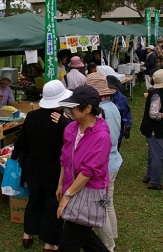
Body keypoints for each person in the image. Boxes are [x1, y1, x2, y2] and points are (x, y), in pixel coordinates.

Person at [12, 80, 72, 252]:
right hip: (54, 169)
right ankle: (49, 242)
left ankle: (27, 234)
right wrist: (66, 123)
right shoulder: (62, 121)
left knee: (34, 199)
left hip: (32, 166)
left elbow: (21, 142)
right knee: (52, 203)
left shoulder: (31, 116)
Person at [56, 85, 111, 252]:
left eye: (74, 106)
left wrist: (67, 195)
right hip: (71, 188)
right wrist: (60, 185)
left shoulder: (101, 136)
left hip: (88, 192)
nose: (70, 110)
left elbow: (88, 172)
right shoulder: (71, 128)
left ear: (87, 108)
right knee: (84, 236)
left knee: (68, 243)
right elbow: (65, 160)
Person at [86, 73, 122, 252]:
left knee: (100, 206)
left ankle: (108, 245)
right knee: (108, 203)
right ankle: (112, 235)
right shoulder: (112, 106)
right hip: (113, 160)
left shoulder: (99, 111)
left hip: (103, 164)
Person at [139, 69, 163, 190]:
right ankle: (155, 181)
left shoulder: (157, 92)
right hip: (154, 130)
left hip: (152, 129)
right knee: (159, 155)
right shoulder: (156, 95)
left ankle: (150, 175)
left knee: (153, 153)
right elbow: (153, 114)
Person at [106, 75, 132, 150]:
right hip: (106, 127)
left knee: (115, 146)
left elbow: (126, 113)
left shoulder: (121, 98)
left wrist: (127, 127)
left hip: (117, 127)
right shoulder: (103, 97)